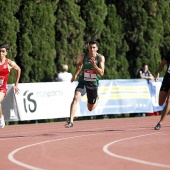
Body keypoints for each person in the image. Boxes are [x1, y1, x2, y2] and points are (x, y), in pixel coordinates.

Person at [65, 40, 105, 128]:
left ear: (97, 48)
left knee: (90, 108)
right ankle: (70, 121)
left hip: (93, 85)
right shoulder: (84, 56)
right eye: (90, 47)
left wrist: (95, 66)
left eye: (94, 47)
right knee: (75, 98)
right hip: (83, 82)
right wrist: (75, 75)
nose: (92, 49)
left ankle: (96, 99)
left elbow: (101, 73)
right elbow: (79, 65)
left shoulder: (100, 58)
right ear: (88, 48)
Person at [0, 44, 21, 128]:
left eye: (3, 51)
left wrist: (16, 84)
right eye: (0, 51)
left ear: (6, 53)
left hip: (2, 88)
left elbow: (18, 69)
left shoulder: (9, 63)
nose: (1, 53)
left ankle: (1, 118)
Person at [154, 50, 170, 130]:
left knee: (169, 101)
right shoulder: (169, 52)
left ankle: (160, 122)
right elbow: (162, 65)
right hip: (167, 80)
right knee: (160, 103)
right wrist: (158, 75)